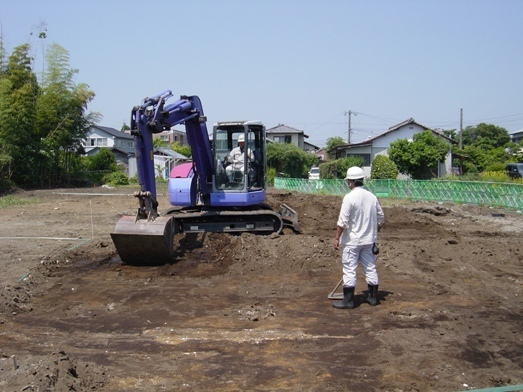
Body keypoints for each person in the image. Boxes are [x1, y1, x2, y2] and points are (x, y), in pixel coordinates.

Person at [332, 166, 385, 309]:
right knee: (370, 267)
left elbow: (342, 221)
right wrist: (374, 231)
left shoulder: (349, 198)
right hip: (369, 241)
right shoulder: (372, 197)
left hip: (352, 242)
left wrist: (337, 238)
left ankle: (348, 301)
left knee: (349, 269)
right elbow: (381, 217)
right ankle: (373, 298)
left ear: (351, 182)